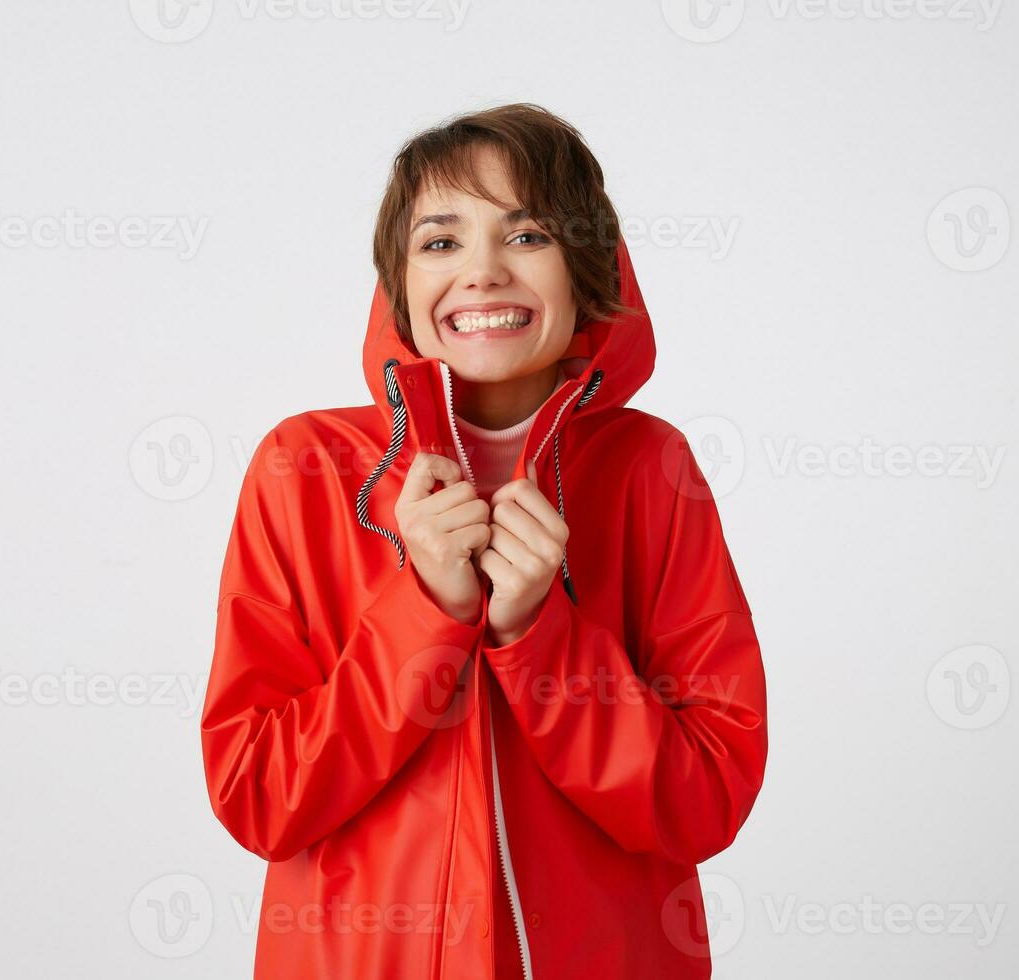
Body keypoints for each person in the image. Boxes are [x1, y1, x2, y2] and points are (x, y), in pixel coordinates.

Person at [200, 102, 768, 979]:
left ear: (590, 272)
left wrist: (539, 636)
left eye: (528, 235)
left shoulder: (652, 468)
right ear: (398, 285)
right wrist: (426, 611)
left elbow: (707, 800)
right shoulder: (302, 468)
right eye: (440, 242)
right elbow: (257, 797)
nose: (483, 273)